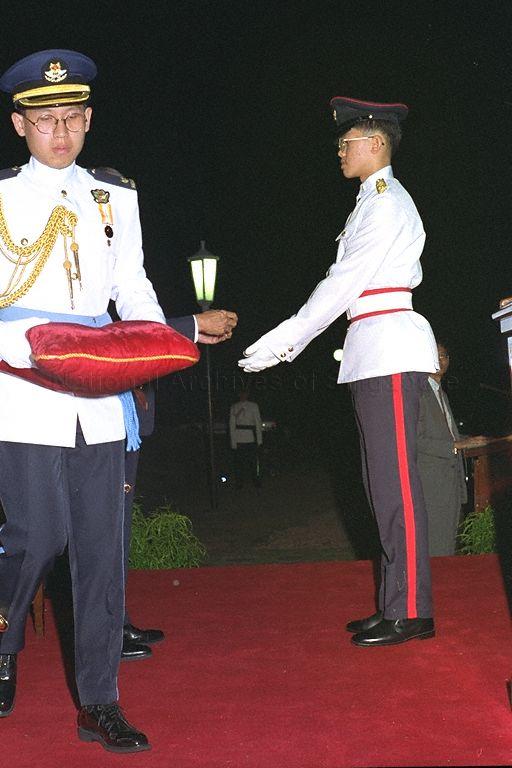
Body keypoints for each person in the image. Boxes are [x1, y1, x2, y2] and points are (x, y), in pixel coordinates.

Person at [0, 48, 167, 752]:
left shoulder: (115, 197)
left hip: (99, 395)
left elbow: (132, 287)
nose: (60, 133)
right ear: (19, 125)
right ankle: (3, 641)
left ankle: (101, 700)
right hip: (24, 389)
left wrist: (157, 346)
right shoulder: (2, 198)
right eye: (45, 121)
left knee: (102, 551)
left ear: (89, 119)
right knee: (37, 536)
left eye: (72, 118)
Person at [239, 96, 439, 647]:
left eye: (347, 141)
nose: (340, 150)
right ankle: (396, 602)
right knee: (381, 484)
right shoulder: (369, 202)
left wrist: (286, 340)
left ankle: (414, 608)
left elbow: (342, 283)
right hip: (371, 346)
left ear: (376, 143)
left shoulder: (385, 202)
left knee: (397, 484)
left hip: (390, 347)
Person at [122, 308, 238, 661]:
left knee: (117, 532)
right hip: (98, 419)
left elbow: (144, 334)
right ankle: (102, 630)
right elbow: (116, 335)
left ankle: (114, 623)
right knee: (99, 533)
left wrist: (187, 335)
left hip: (128, 425)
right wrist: (192, 325)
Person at [417, 341, 468, 556]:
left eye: (444, 356)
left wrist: (473, 440)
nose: (440, 360)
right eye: (435, 355)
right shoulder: (418, 393)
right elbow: (415, 439)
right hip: (432, 483)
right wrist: (454, 446)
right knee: (435, 546)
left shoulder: (440, 393)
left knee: (447, 543)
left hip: (451, 480)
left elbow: (448, 434)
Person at [229, 388, 263, 488]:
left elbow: (258, 422)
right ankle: (239, 482)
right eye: (241, 393)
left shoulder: (253, 406)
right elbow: (232, 424)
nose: (243, 395)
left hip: (250, 438)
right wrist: (233, 441)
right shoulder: (234, 407)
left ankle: (256, 480)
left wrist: (259, 439)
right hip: (239, 438)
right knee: (239, 462)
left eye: (245, 393)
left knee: (253, 461)